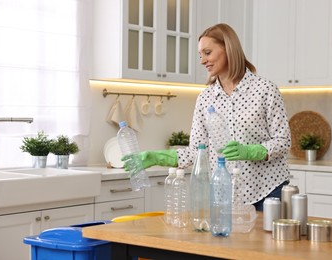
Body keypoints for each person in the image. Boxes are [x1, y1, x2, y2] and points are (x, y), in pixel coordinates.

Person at [121, 23, 291, 211]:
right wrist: (158, 157)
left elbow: (284, 141)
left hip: (267, 191)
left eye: (207, 52)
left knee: (264, 242)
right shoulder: (205, 99)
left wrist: (253, 151)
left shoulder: (265, 90)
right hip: (224, 193)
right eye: (200, 55)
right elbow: (197, 152)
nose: (202, 60)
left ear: (228, 49)